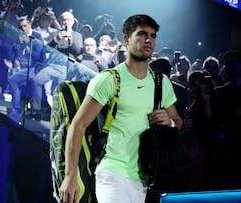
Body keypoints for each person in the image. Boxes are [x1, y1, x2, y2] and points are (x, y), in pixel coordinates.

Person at [58, 14, 183, 203]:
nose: (148, 40)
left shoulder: (161, 83)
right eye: (142, 34)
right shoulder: (109, 79)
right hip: (112, 173)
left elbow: (179, 123)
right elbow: (78, 125)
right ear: (126, 39)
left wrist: (170, 122)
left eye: (152, 35)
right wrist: (70, 176)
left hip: (145, 178)